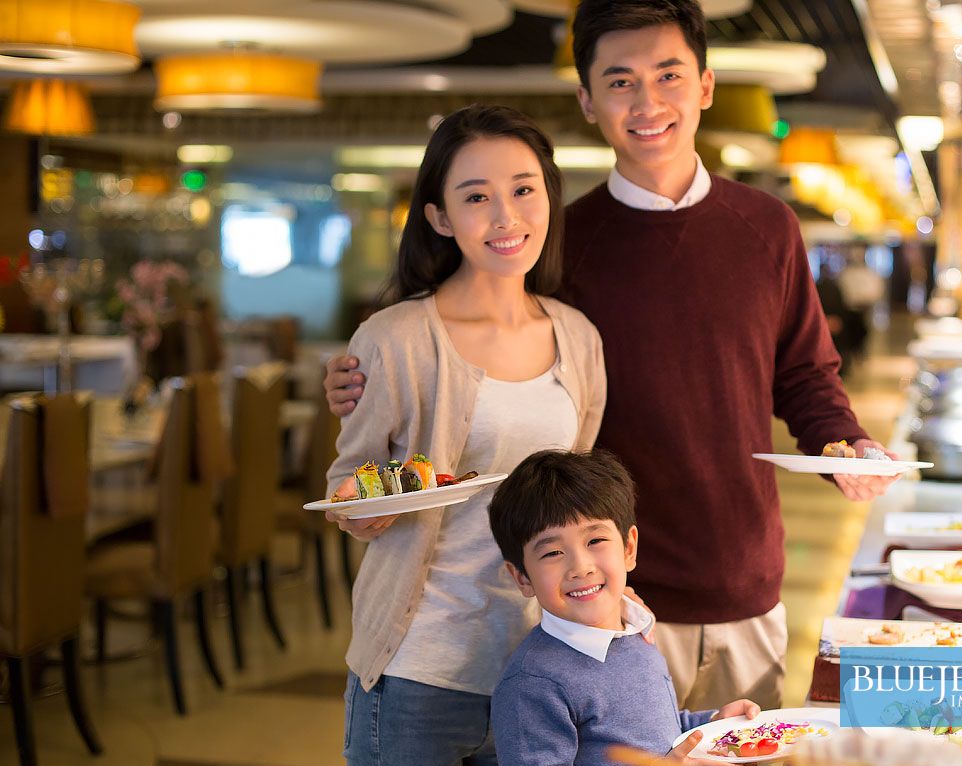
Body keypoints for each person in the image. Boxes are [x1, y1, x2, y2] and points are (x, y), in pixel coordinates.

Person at [323, 0, 896, 714]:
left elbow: (804, 372)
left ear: (706, 86)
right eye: (620, 82)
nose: (647, 102)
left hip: (742, 574)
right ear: (587, 100)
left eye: (668, 76)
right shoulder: (562, 243)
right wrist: (366, 374)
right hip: (601, 591)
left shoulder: (766, 227)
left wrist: (845, 442)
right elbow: (472, 326)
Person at [329, 104, 606, 766]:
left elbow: (574, 502)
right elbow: (349, 482)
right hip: (420, 666)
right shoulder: (394, 338)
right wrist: (375, 502)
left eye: (523, 189)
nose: (504, 214)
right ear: (440, 217)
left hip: (534, 673)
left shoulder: (576, 338)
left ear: (548, 198)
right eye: (475, 195)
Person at [487, 449, 759, 766]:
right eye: (552, 552)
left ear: (629, 547)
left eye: (595, 539)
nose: (580, 566)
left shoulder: (636, 634)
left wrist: (712, 724)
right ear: (522, 578)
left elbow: (652, 731)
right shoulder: (533, 683)